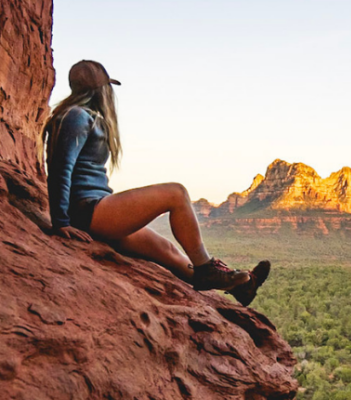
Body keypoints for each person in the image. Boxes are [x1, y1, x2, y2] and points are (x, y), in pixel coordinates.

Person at [43, 59, 269, 305]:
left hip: (99, 211)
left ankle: (242, 286)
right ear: (101, 90)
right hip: (89, 212)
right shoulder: (78, 116)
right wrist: (61, 223)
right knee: (176, 193)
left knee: (170, 252)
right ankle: (207, 268)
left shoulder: (83, 116)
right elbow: (60, 169)